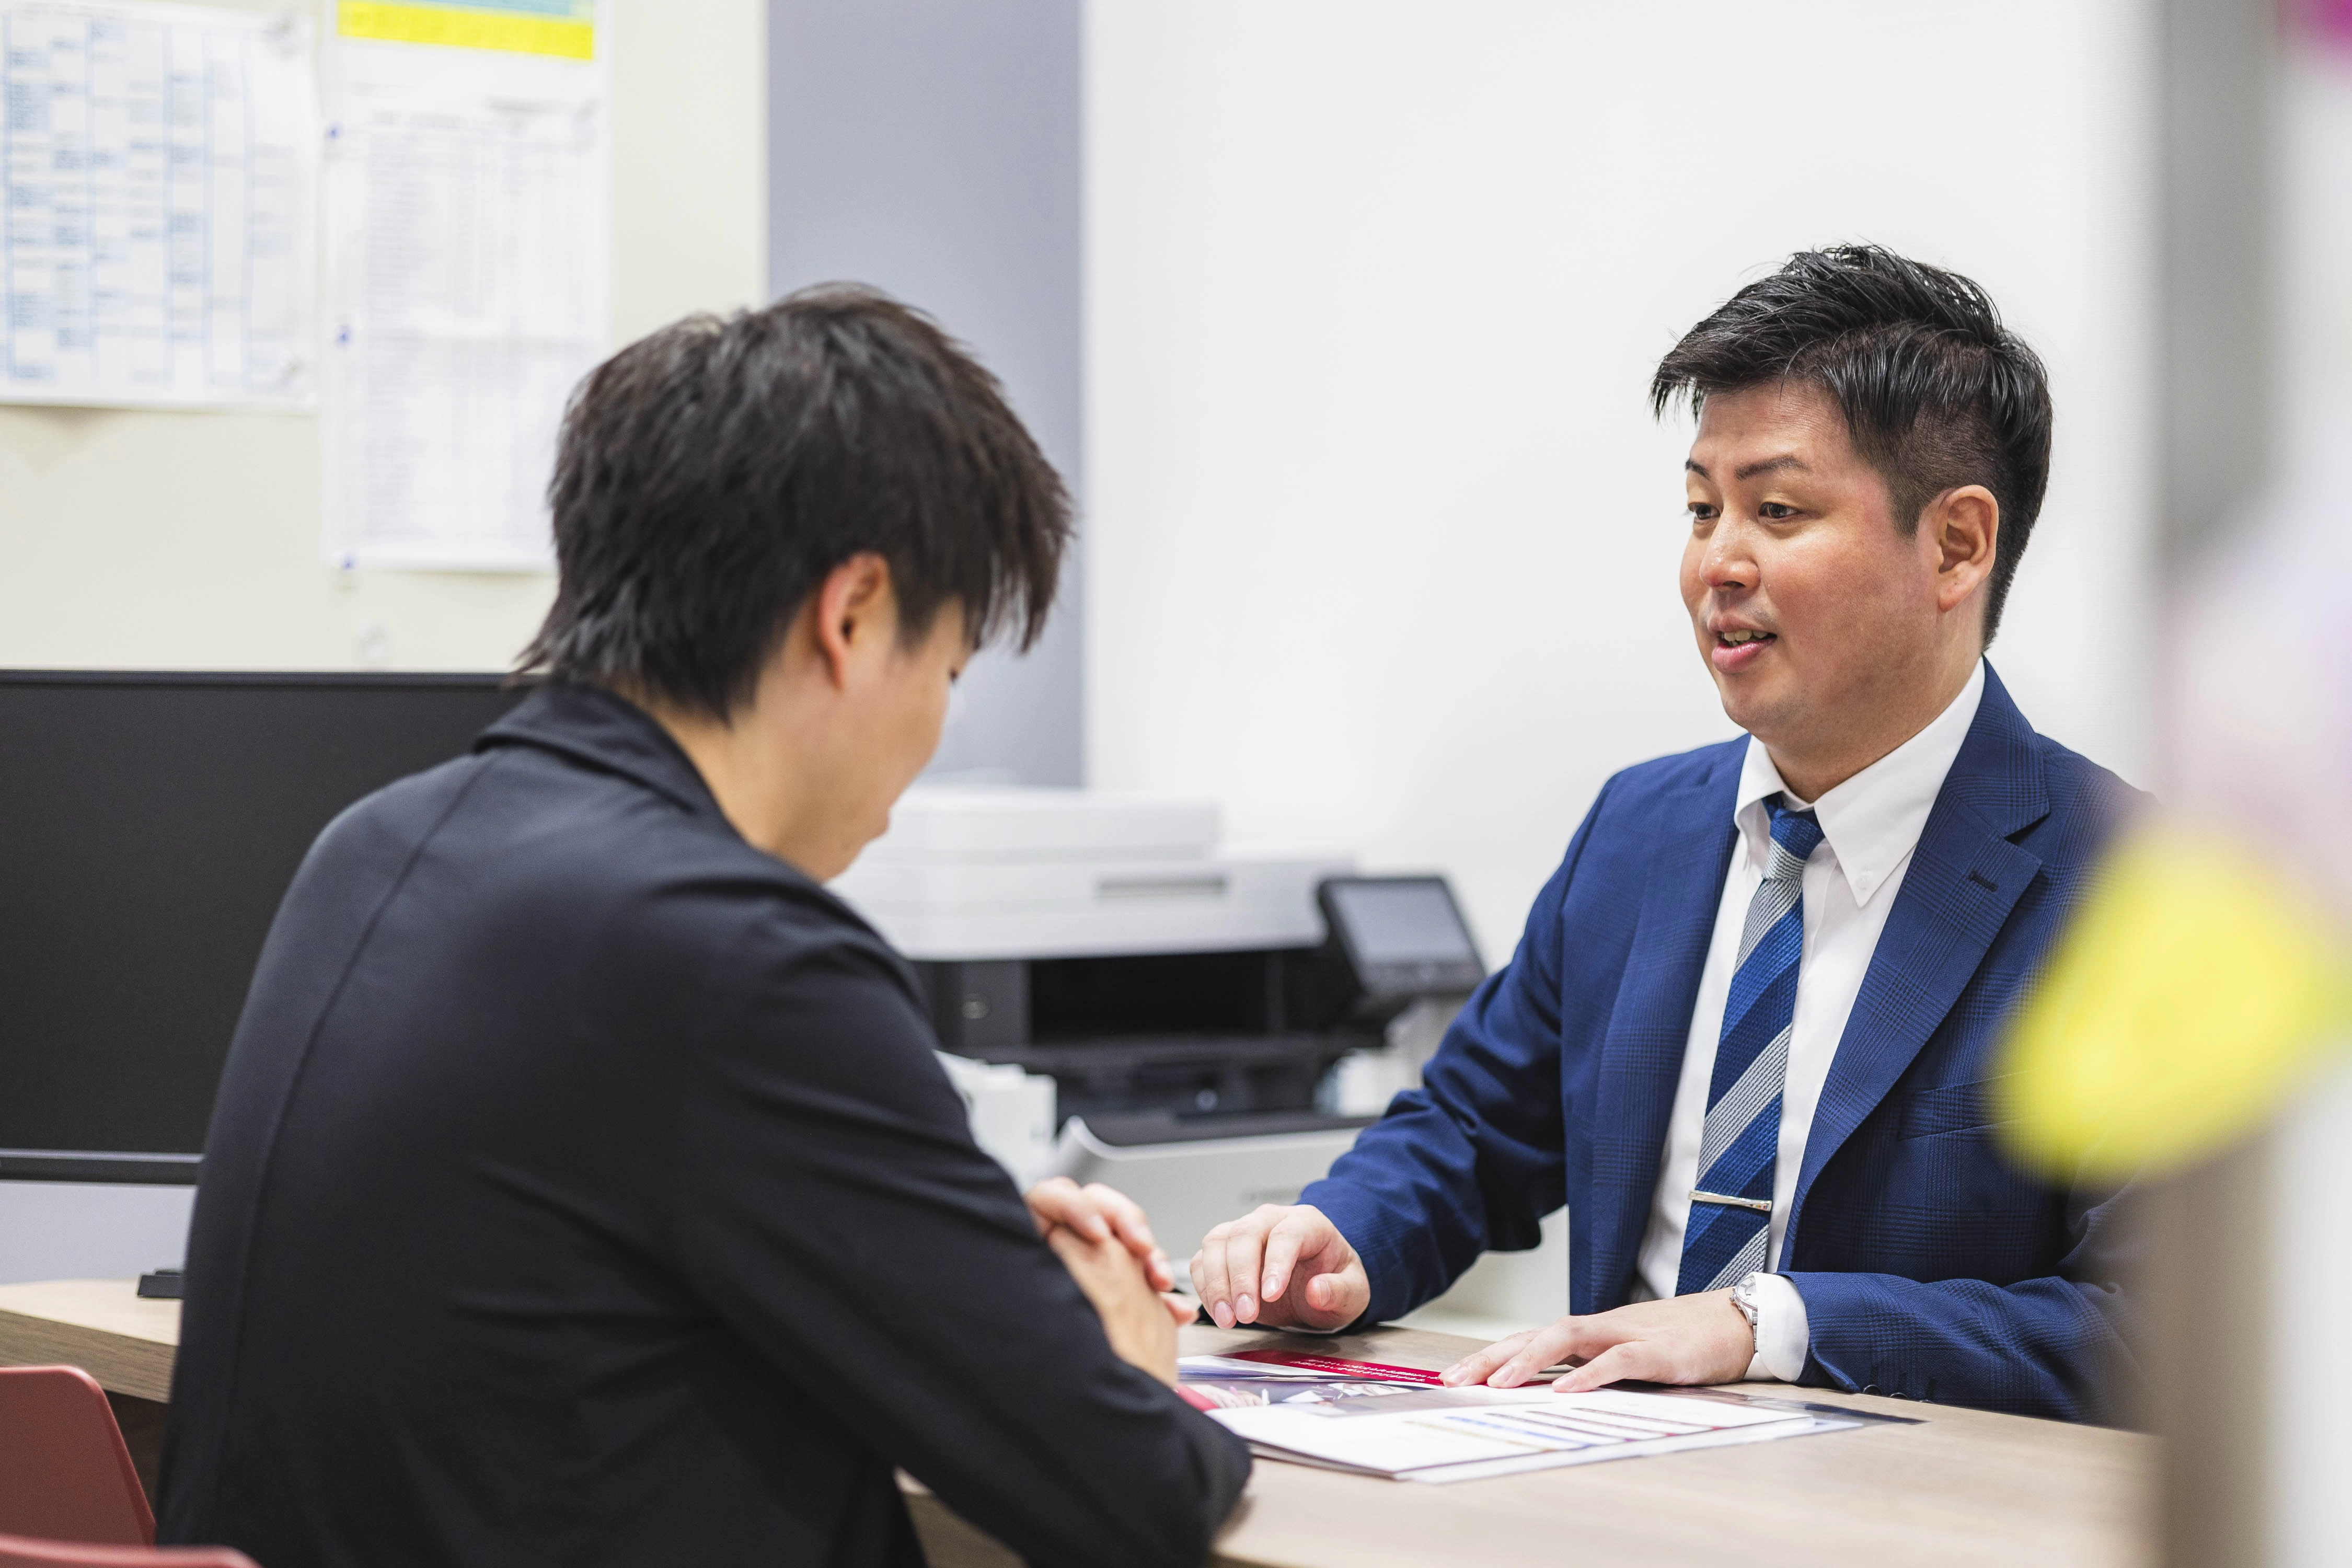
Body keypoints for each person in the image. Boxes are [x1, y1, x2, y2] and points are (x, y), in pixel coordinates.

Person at [159, 287, 1250, 1567]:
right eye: (948, 668)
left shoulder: (376, 846)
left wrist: (937, 1245)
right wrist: (1127, 1358)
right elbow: (1126, 1488)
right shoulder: (738, 949)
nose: (936, 729)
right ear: (850, 619)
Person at [1190, 246, 2141, 1422]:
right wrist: (1341, 1239)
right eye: (1702, 509)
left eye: (1776, 511)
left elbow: (2156, 1328)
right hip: (1604, 1486)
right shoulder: (1641, 832)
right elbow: (1472, 1130)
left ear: (1956, 546)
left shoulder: (2134, 884)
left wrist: (1773, 1327)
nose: (1716, 565)